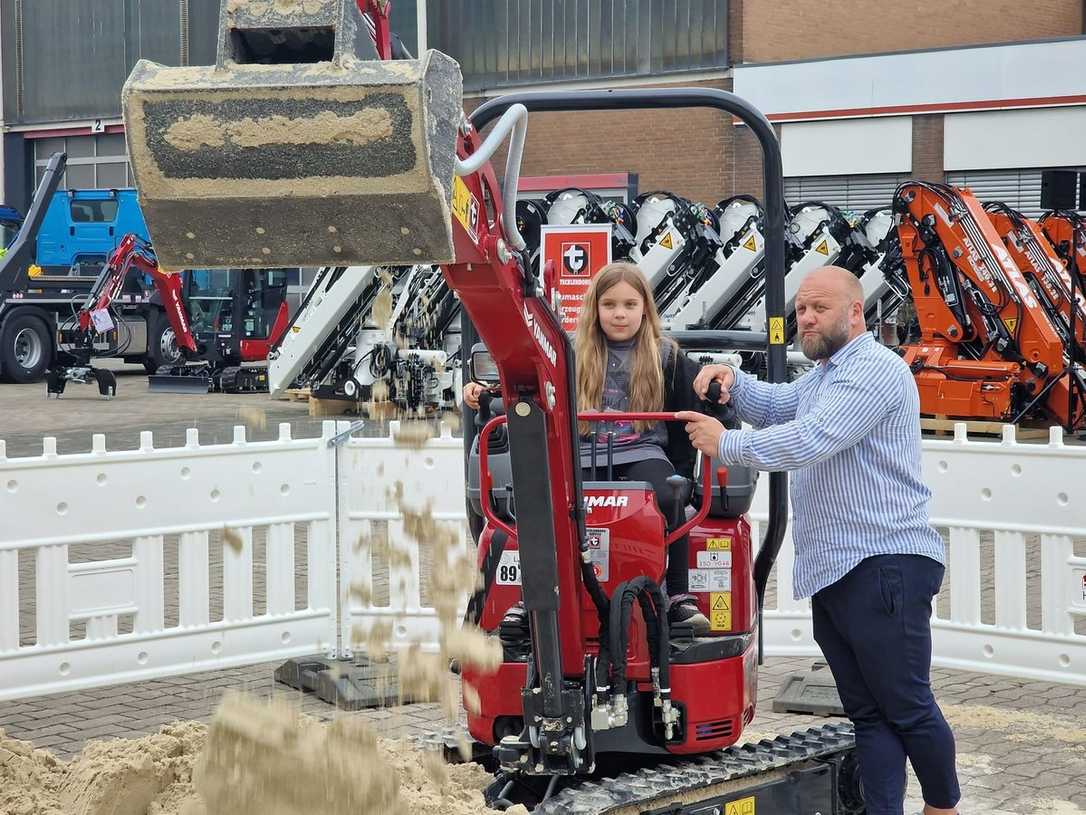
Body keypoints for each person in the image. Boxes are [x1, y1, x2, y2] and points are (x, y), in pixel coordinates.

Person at [677, 265, 960, 815]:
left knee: (906, 706)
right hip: (840, 568)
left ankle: (943, 807)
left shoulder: (873, 370)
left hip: (883, 562)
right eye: (802, 309)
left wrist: (726, 443)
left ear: (855, 311)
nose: (805, 318)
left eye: (819, 308)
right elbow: (780, 405)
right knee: (869, 715)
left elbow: (811, 438)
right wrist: (734, 381)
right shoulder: (827, 374)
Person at [464, 261, 710, 633]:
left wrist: (718, 391)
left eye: (629, 304)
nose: (620, 313)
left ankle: (677, 596)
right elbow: (530, 384)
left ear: (645, 308)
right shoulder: (569, 352)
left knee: (670, 493)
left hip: (642, 451)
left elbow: (702, 393)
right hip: (582, 452)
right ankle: (529, 599)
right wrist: (487, 393)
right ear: (595, 308)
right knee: (538, 500)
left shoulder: (665, 356)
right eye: (610, 304)